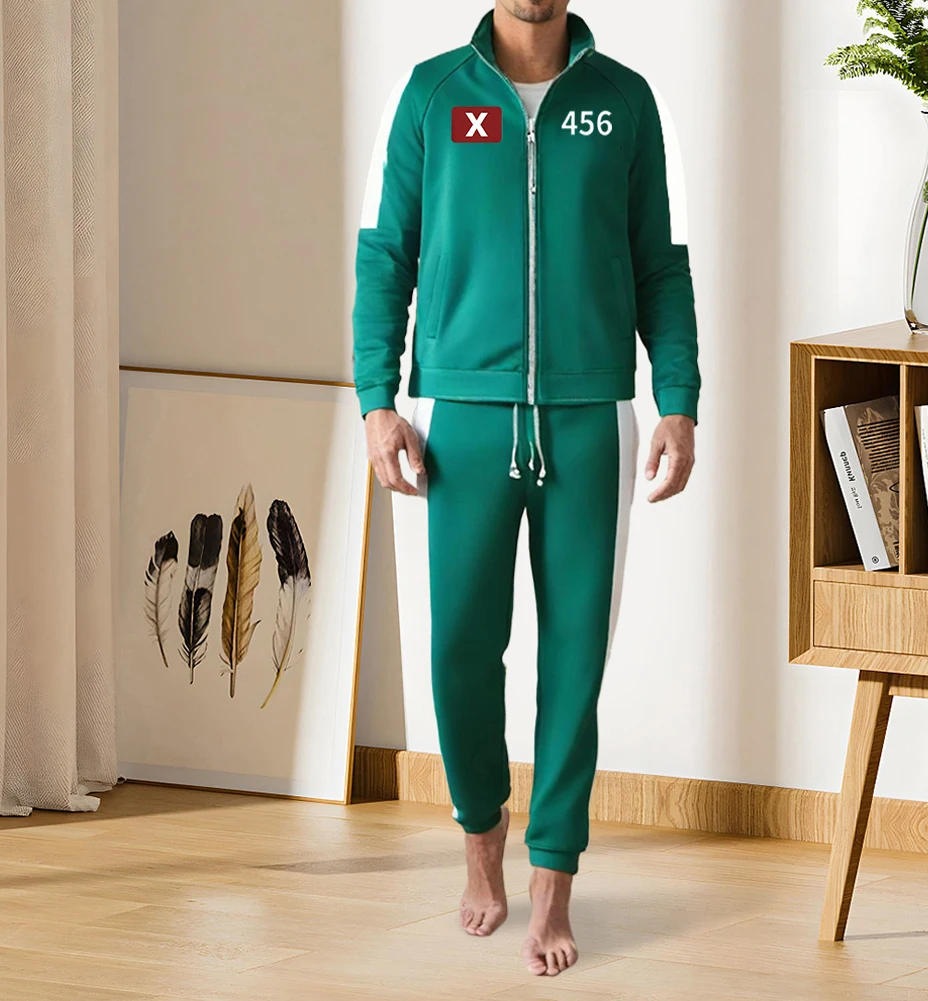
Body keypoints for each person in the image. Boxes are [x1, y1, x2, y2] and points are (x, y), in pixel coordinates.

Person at [352, 0, 699, 978]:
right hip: (462, 411)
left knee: (574, 659)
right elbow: (386, 251)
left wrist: (676, 401)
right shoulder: (432, 94)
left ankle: (552, 874)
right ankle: (480, 831)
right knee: (459, 649)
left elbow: (659, 263)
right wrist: (377, 402)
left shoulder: (623, 101)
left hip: (588, 414)